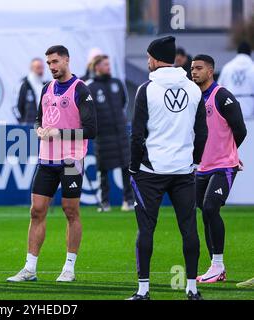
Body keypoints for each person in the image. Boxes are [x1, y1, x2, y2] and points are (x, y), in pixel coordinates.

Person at [7, 45, 96, 283]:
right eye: (49, 63)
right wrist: (38, 129)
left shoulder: (81, 89)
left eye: (55, 62)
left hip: (70, 160)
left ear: (67, 61)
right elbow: (39, 117)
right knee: (36, 211)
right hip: (46, 160)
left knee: (70, 211)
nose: (52, 67)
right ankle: (30, 268)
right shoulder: (46, 88)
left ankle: (68, 268)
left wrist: (59, 133)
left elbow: (91, 130)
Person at [127, 36, 207, 300]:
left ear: (155, 58)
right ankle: (192, 289)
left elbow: (137, 135)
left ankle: (143, 290)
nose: (147, 61)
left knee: (146, 230)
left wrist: (133, 167)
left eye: (149, 56)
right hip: (183, 170)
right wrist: (193, 162)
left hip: (151, 171)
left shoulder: (146, 89)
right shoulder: (194, 89)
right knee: (189, 228)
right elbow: (202, 133)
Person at [191, 54, 246, 284]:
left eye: (199, 68)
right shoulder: (192, 97)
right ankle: (215, 266)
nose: (193, 72)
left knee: (211, 208)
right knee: (204, 212)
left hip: (224, 166)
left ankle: (218, 264)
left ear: (210, 71)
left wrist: (228, 153)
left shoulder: (222, 96)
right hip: (201, 168)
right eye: (192, 68)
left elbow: (240, 129)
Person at [86, 54, 134, 212]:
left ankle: (128, 200)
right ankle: (105, 202)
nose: (108, 67)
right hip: (103, 135)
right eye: (105, 64)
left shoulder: (116, 83)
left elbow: (123, 102)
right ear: (97, 67)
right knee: (103, 170)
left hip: (120, 133)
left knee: (127, 167)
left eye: (109, 64)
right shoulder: (90, 87)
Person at [218, 41, 254, 119]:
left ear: (237, 52)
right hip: (250, 106)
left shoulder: (227, 67)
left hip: (230, 105)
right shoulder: (252, 68)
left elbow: (219, 89)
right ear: (250, 52)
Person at [16, 58, 46, 125]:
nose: (41, 71)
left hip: (43, 126)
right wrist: (22, 122)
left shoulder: (45, 85)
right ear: (32, 69)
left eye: (42, 68)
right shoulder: (24, 85)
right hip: (28, 125)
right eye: (38, 68)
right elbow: (16, 106)